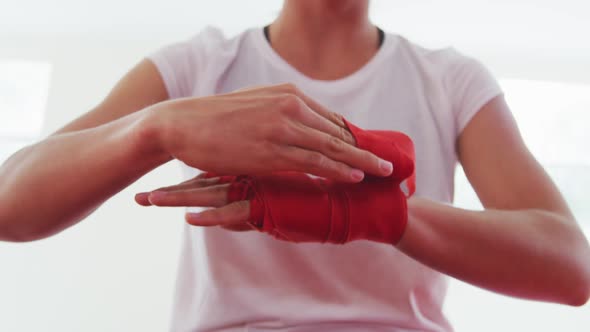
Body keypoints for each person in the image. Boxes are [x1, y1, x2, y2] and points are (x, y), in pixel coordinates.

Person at [1, 0, 589, 331]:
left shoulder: (452, 81)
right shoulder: (197, 67)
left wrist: (384, 217)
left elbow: (571, 268)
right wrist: (158, 128)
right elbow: (10, 204)